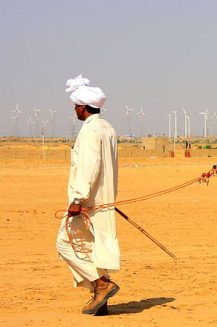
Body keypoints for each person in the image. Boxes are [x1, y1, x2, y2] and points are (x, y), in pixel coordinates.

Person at [56, 74, 120, 315]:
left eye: (75, 106)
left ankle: (102, 286)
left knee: (66, 244)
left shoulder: (90, 130)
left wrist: (78, 199)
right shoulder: (108, 128)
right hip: (103, 199)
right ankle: (100, 300)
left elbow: (90, 166)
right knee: (94, 249)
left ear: (83, 107)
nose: (74, 110)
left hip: (88, 202)